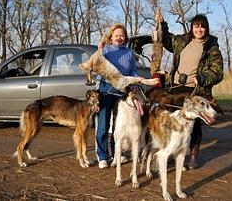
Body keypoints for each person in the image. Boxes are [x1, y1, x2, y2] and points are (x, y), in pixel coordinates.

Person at [133, 14, 224, 169]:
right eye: (196, 26)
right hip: (176, 87)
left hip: (196, 90)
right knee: (172, 121)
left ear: (206, 28)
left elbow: (218, 72)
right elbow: (167, 39)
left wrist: (202, 77)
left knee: (193, 124)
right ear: (192, 27)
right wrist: (162, 23)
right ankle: (170, 152)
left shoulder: (212, 48)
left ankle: (193, 157)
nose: (199, 29)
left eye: (202, 26)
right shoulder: (182, 41)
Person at [96, 23, 138, 169]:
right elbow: (97, 66)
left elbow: (133, 71)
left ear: (125, 37)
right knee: (103, 125)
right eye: (116, 35)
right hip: (106, 91)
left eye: (122, 35)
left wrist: (135, 80)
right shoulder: (105, 50)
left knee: (118, 126)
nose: (119, 38)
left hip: (122, 93)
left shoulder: (129, 53)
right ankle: (102, 156)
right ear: (111, 37)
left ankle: (117, 153)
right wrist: (99, 51)